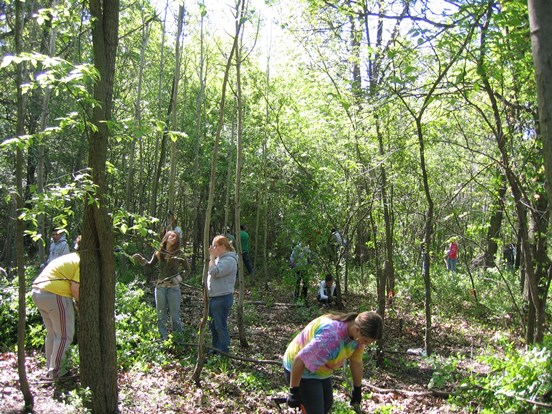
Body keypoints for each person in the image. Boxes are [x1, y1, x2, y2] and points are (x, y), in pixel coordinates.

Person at [283, 311, 384, 414]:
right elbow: (299, 360)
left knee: (327, 404)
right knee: (316, 410)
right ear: (357, 329)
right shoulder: (331, 337)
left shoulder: (357, 337)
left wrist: (357, 389)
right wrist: (293, 391)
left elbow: (356, 362)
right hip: (301, 371)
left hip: (321, 370)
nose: (366, 344)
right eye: (366, 341)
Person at [32, 235, 81, 380]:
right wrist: (78, 303)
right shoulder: (81, 261)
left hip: (38, 291)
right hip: (55, 294)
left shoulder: (70, 257)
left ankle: (50, 369)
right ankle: (57, 373)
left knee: (53, 334)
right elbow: (75, 288)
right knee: (64, 335)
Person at [133, 231, 190, 340]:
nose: (174, 238)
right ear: (166, 237)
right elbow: (150, 265)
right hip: (160, 288)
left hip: (173, 289)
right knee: (160, 316)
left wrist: (178, 279)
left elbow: (188, 270)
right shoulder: (159, 252)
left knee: (175, 317)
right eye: (172, 236)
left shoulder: (179, 253)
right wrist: (141, 260)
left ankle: (178, 340)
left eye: (176, 238)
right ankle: (163, 339)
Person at [207, 235, 238, 354]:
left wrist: (211, 257)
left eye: (215, 246)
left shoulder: (229, 260)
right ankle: (216, 349)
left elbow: (214, 272)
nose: (213, 248)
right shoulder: (219, 259)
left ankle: (224, 352)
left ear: (223, 246)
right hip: (213, 297)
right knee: (213, 326)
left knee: (220, 326)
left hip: (222, 297)